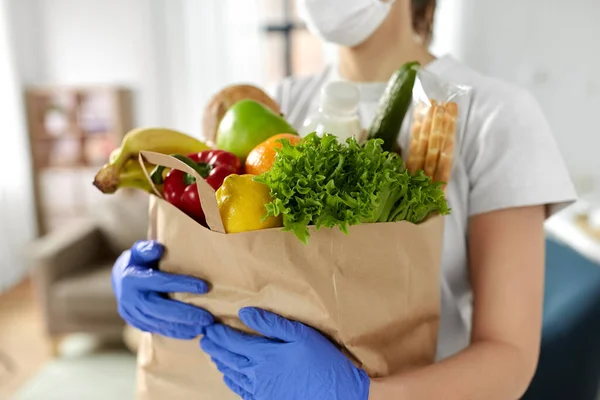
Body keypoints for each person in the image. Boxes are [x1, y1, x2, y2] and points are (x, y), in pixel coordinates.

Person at [112, 0, 578, 398]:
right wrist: (160, 268)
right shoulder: (279, 103)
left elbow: (510, 360)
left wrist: (360, 394)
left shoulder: (496, 115)